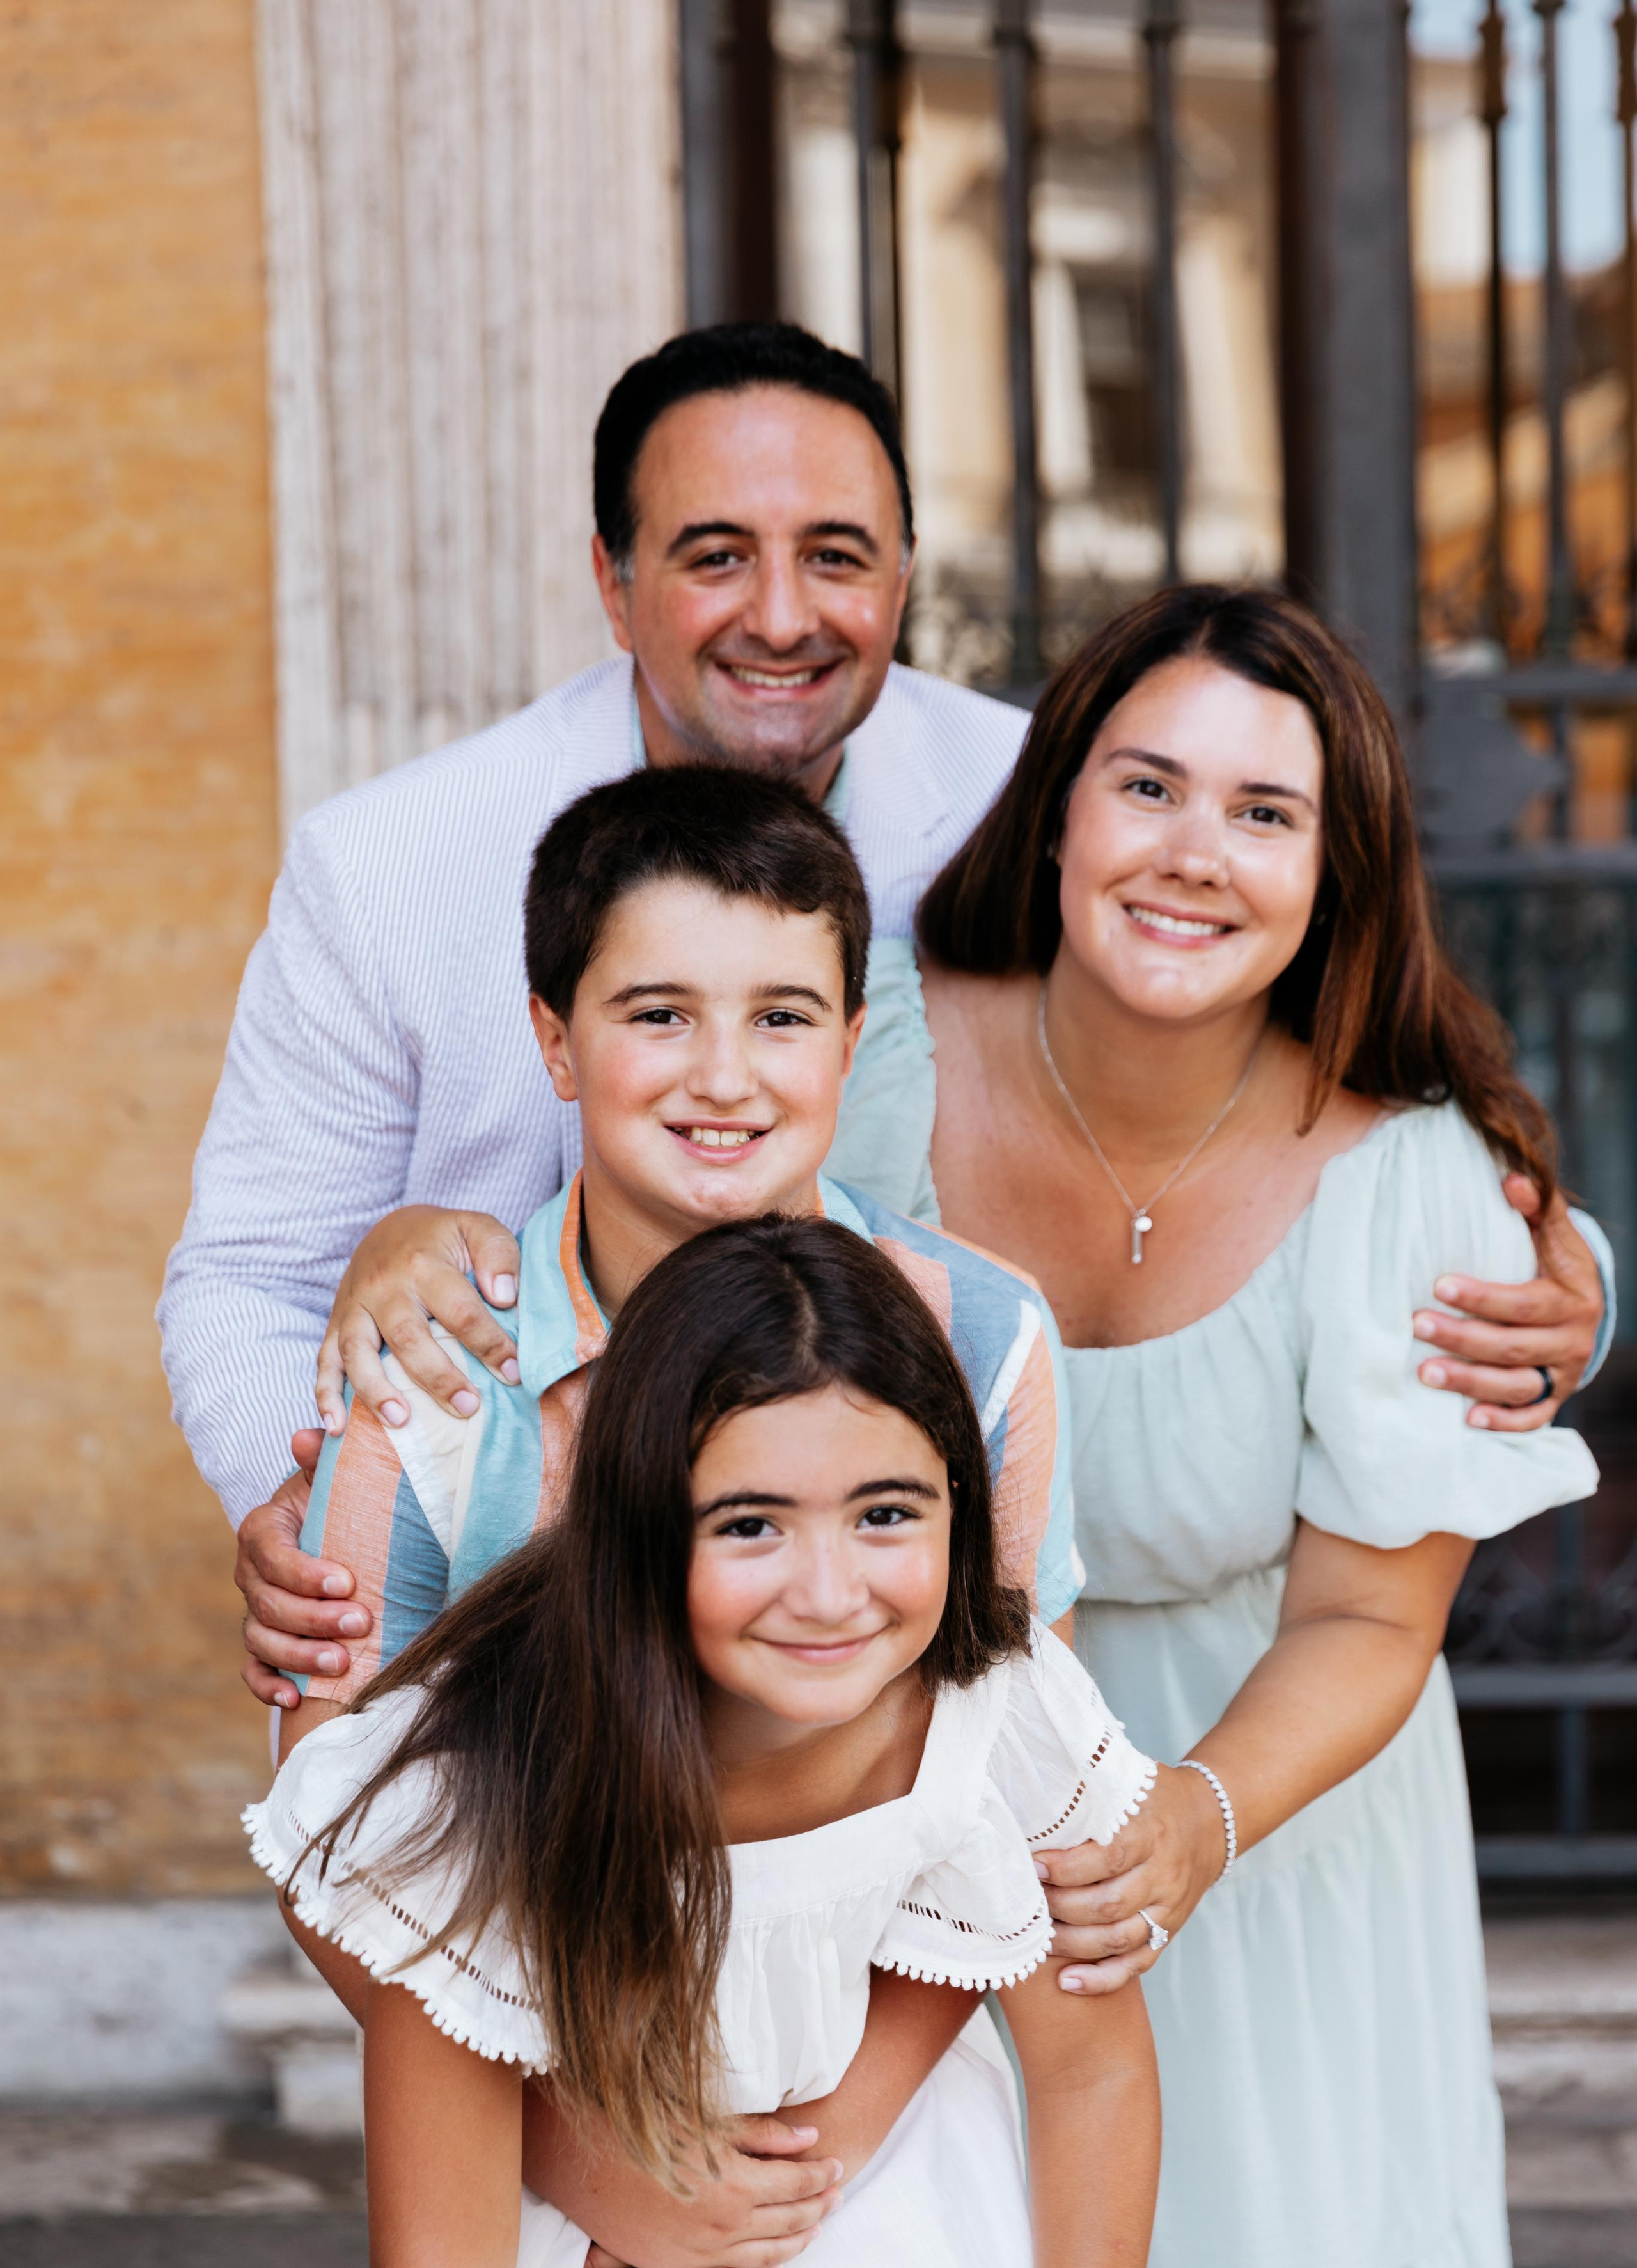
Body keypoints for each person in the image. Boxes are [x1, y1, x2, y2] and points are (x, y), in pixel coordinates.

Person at [157, 320, 1611, 1710]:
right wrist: (305, 1505)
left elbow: (1297, 1030)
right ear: (610, 583)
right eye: (713, 557)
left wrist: (1551, 1265)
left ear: (905, 575)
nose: (780, 617)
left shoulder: (1040, 795)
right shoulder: (388, 865)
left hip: (879, 1625)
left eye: (835, 557)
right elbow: (244, 1275)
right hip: (516, 1635)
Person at [822, 584, 1598, 2268]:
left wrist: (1189, 1822)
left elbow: (1368, 1624)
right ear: (1060, 807)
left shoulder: (1407, 1175)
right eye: (1147, 786)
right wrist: (419, 1245)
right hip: (923, 1825)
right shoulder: (874, 1061)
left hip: (1273, 1822)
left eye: (1266, 814)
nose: (1193, 855)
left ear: (1338, 870)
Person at [278, 760, 1090, 2268]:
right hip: (540, 2120)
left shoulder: (978, 1336)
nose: (724, 1075)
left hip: (888, 2102)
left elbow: (996, 1781)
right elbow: (330, 1837)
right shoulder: (440, 1367)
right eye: (657, 1014)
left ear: (855, 1042)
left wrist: (820, 2148)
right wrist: (581, 2154)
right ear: (551, 1040)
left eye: (782, 1017)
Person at [249, 1215, 1162, 2268]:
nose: (829, 1593)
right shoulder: (489, 1786)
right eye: (748, 1525)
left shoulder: (994, 1706)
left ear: (959, 1495)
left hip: (925, 2233)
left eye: (886, 1513)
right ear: (638, 1523)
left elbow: (1091, 2065)